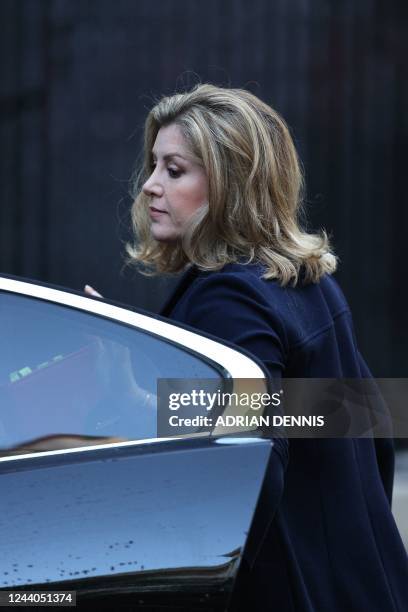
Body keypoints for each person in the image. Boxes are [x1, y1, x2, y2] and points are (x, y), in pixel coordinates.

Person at [87, 84, 408, 611]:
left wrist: (121, 391)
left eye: (174, 170)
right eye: (153, 165)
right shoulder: (305, 280)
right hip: (365, 584)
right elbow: (359, 424)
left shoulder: (229, 297)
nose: (148, 186)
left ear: (232, 184)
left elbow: (243, 460)